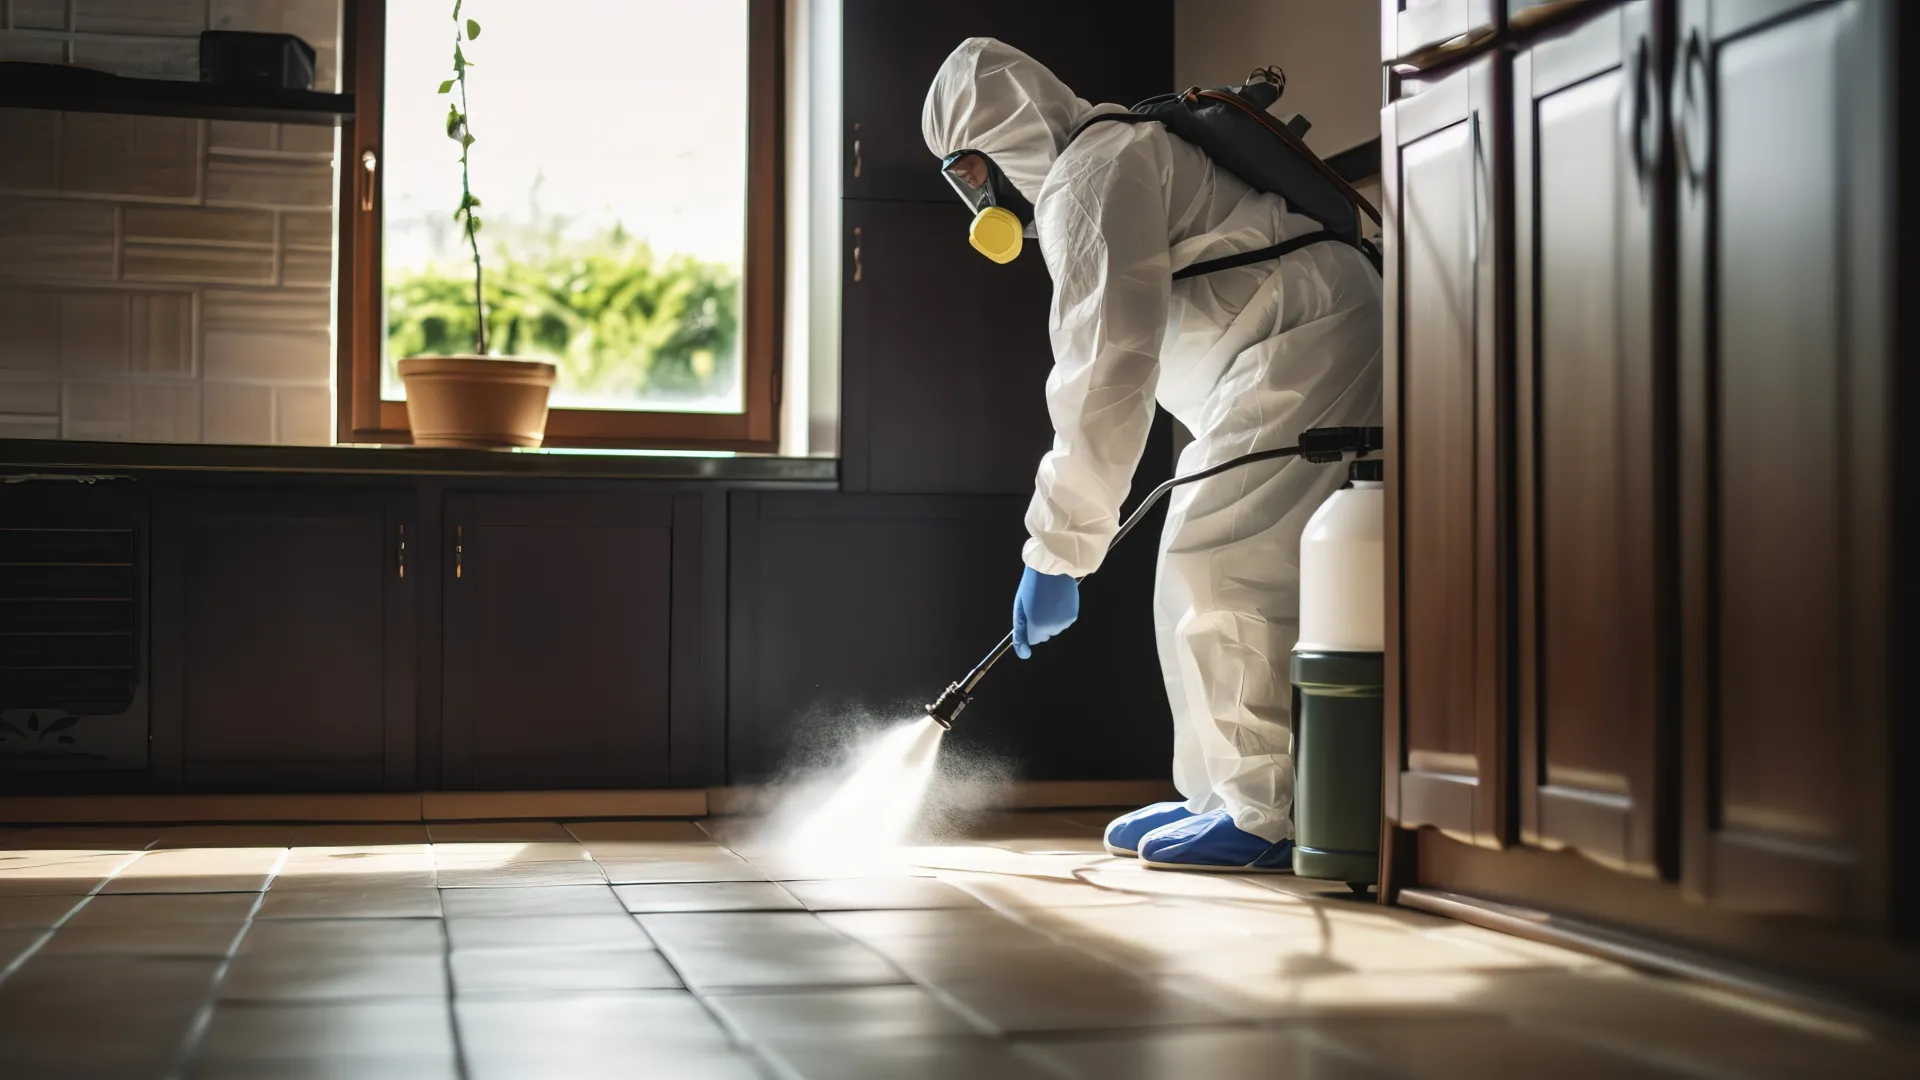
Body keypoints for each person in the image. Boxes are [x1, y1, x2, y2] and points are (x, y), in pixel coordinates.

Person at [923, 38, 1381, 871]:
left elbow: (1104, 373)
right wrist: (1062, 546)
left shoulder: (1090, 178)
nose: (976, 197)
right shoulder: (1101, 161)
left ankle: (1266, 813)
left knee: (1221, 557)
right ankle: (1220, 796)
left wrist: (1057, 550)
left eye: (967, 172)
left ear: (998, 141)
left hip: (1305, 342)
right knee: (1189, 568)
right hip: (1278, 352)